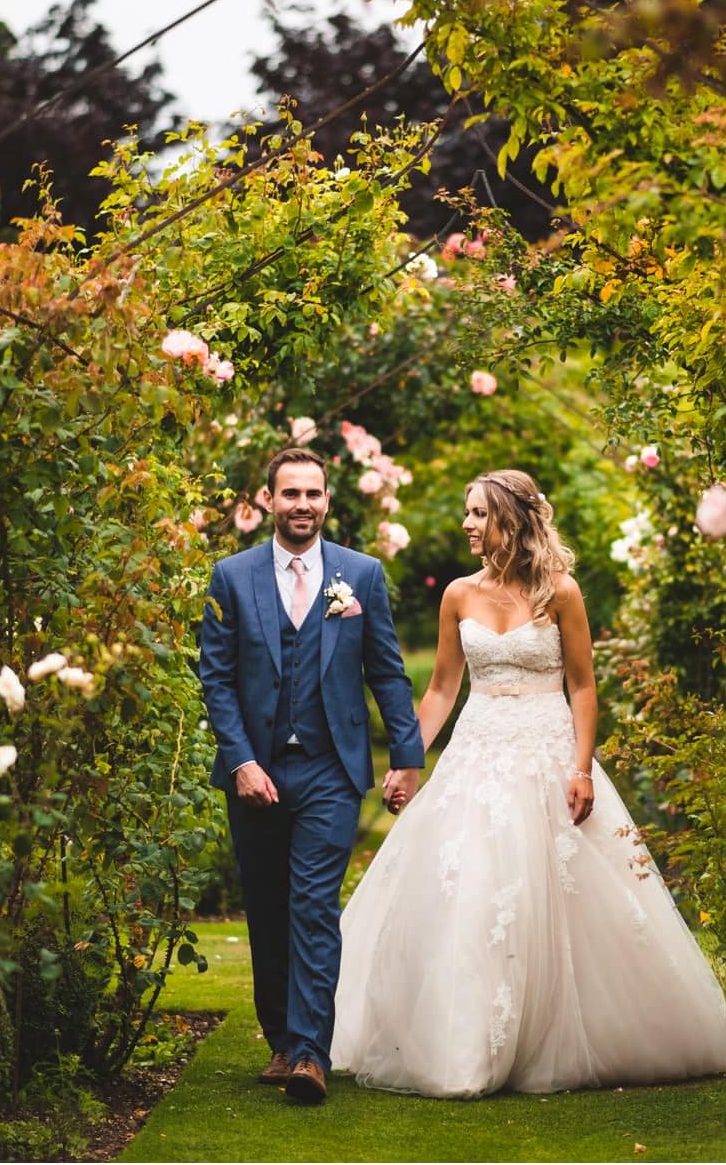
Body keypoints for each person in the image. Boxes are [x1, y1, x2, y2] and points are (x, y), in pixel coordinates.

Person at [331, 469, 726, 1097]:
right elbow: (443, 687)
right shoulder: (458, 595)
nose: (466, 524)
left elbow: (582, 685)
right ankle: (466, 1043)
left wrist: (581, 770)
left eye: (477, 513)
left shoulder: (562, 593)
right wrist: (407, 761)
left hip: (549, 753)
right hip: (478, 751)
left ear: (510, 519)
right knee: (472, 890)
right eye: (466, 513)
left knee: (557, 891)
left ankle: (562, 1036)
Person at [197, 446, 426, 1105]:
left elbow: (386, 670)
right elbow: (216, 678)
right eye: (290, 494)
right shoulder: (231, 578)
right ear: (268, 501)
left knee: (314, 908)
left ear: (328, 501)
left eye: (313, 494)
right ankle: (279, 1036)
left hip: (331, 768)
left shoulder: (362, 575)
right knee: (268, 911)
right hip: (257, 771)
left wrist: (406, 758)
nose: (303, 505)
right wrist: (241, 761)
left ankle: (308, 1054)